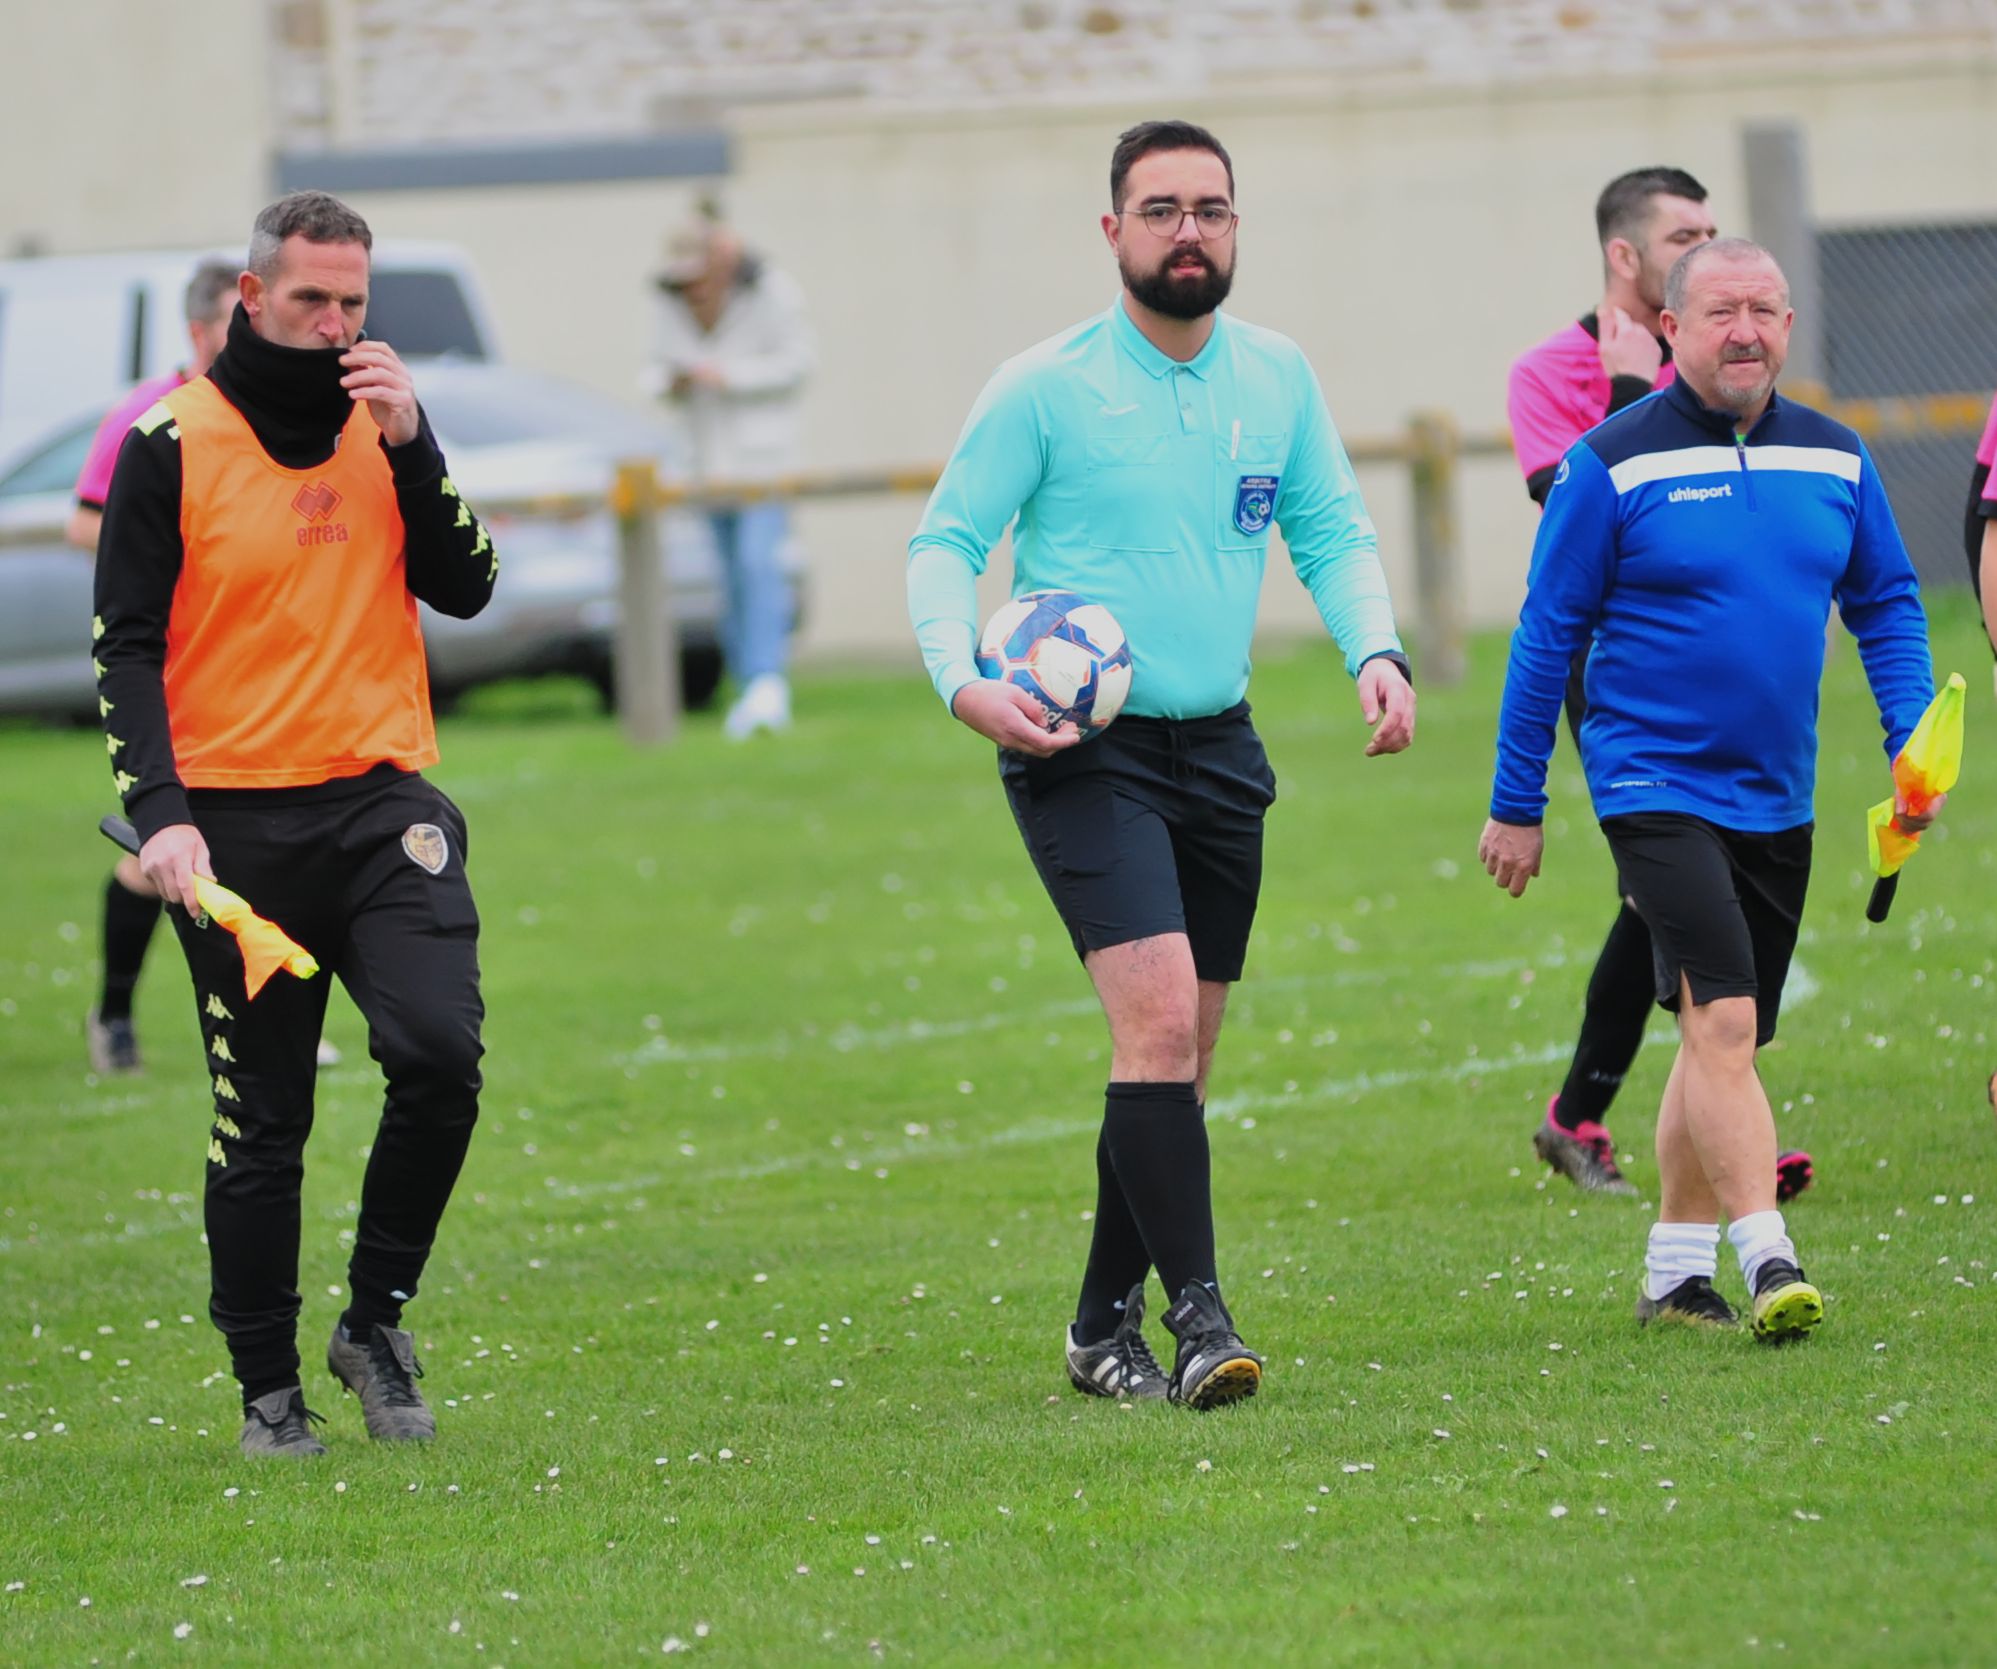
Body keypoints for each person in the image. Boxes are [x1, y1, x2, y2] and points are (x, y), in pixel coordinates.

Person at [908, 120, 1414, 1408]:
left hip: (1222, 745)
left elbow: (1332, 524)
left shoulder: (1277, 375)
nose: (1187, 230)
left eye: (1210, 209)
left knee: (1181, 1061)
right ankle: (1197, 1321)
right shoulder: (1044, 385)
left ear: (1235, 226)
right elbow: (944, 542)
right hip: (1082, 752)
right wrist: (962, 681)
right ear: (1112, 230)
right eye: (1160, 209)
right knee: (1156, 1024)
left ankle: (1095, 1329)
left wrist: (1377, 648)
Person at [94, 191, 498, 1456]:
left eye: (354, 303)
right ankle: (270, 1388)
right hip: (234, 838)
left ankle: (373, 1320)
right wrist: (161, 819)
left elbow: (469, 585)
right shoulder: (171, 441)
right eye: (313, 299)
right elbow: (127, 647)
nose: (335, 324)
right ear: (253, 298)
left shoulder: (388, 427)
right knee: (261, 1124)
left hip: (384, 806)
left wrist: (416, 440)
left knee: (438, 1056)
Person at [1480, 238, 1936, 1342]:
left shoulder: (1833, 456)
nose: (1745, 330)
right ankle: (1764, 1252)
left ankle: (1673, 1274)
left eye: (1765, 311)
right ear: (1669, 327)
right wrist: (1517, 800)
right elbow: (1545, 636)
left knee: (1718, 1039)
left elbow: (1884, 599)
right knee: (1720, 1014)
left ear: (1787, 328)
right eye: (1720, 310)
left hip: (1776, 792)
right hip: (1648, 781)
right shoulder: (1608, 462)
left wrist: (1911, 738)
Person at [1507, 167, 1814, 1206]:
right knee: (1667, 895)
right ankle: (1636, 1114)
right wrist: (1632, 387)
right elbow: (1564, 501)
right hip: (1618, 680)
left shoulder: (1730, 367)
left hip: (1731, 692)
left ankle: (1643, 1110)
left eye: (1714, 230)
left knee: (1669, 904)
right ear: (1623, 258)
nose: (1705, 248)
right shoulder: (1547, 369)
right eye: (1684, 234)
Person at [74, 258, 236, 1076]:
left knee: (271, 840)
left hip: (244, 672)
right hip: (165, 676)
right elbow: (83, 525)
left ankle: (281, 1018)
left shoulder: (263, 415)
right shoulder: (145, 419)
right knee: (157, 855)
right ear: (199, 332)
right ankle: (112, 1014)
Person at [643, 203, 813, 739]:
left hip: (760, 461)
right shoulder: (668, 301)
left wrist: (726, 376)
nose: (691, 289)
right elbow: (653, 367)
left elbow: (798, 365)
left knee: (759, 564)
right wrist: (674, 381)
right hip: (703, 461)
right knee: (728, 576)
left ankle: (768, 680)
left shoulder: (772, 292)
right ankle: (749, 685)